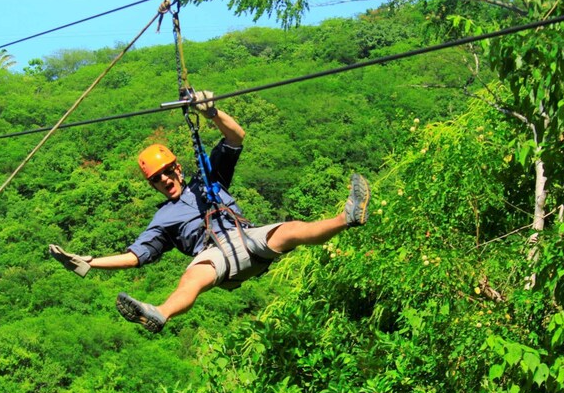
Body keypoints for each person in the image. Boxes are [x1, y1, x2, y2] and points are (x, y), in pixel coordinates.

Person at [49, 91, 371, 333]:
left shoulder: (207, 180)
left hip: (244, 237)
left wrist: (212, 112)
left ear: (176, 168)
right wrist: (90, 262)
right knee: (192, 278)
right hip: (212, 256)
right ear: (153, 186)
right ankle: (160, 313)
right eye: (156, 180)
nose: (163, 181)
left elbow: (236, 137)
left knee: (289, 231)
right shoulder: (162, 219)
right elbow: (135, 256)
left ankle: (347, 218)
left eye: (166, 173)